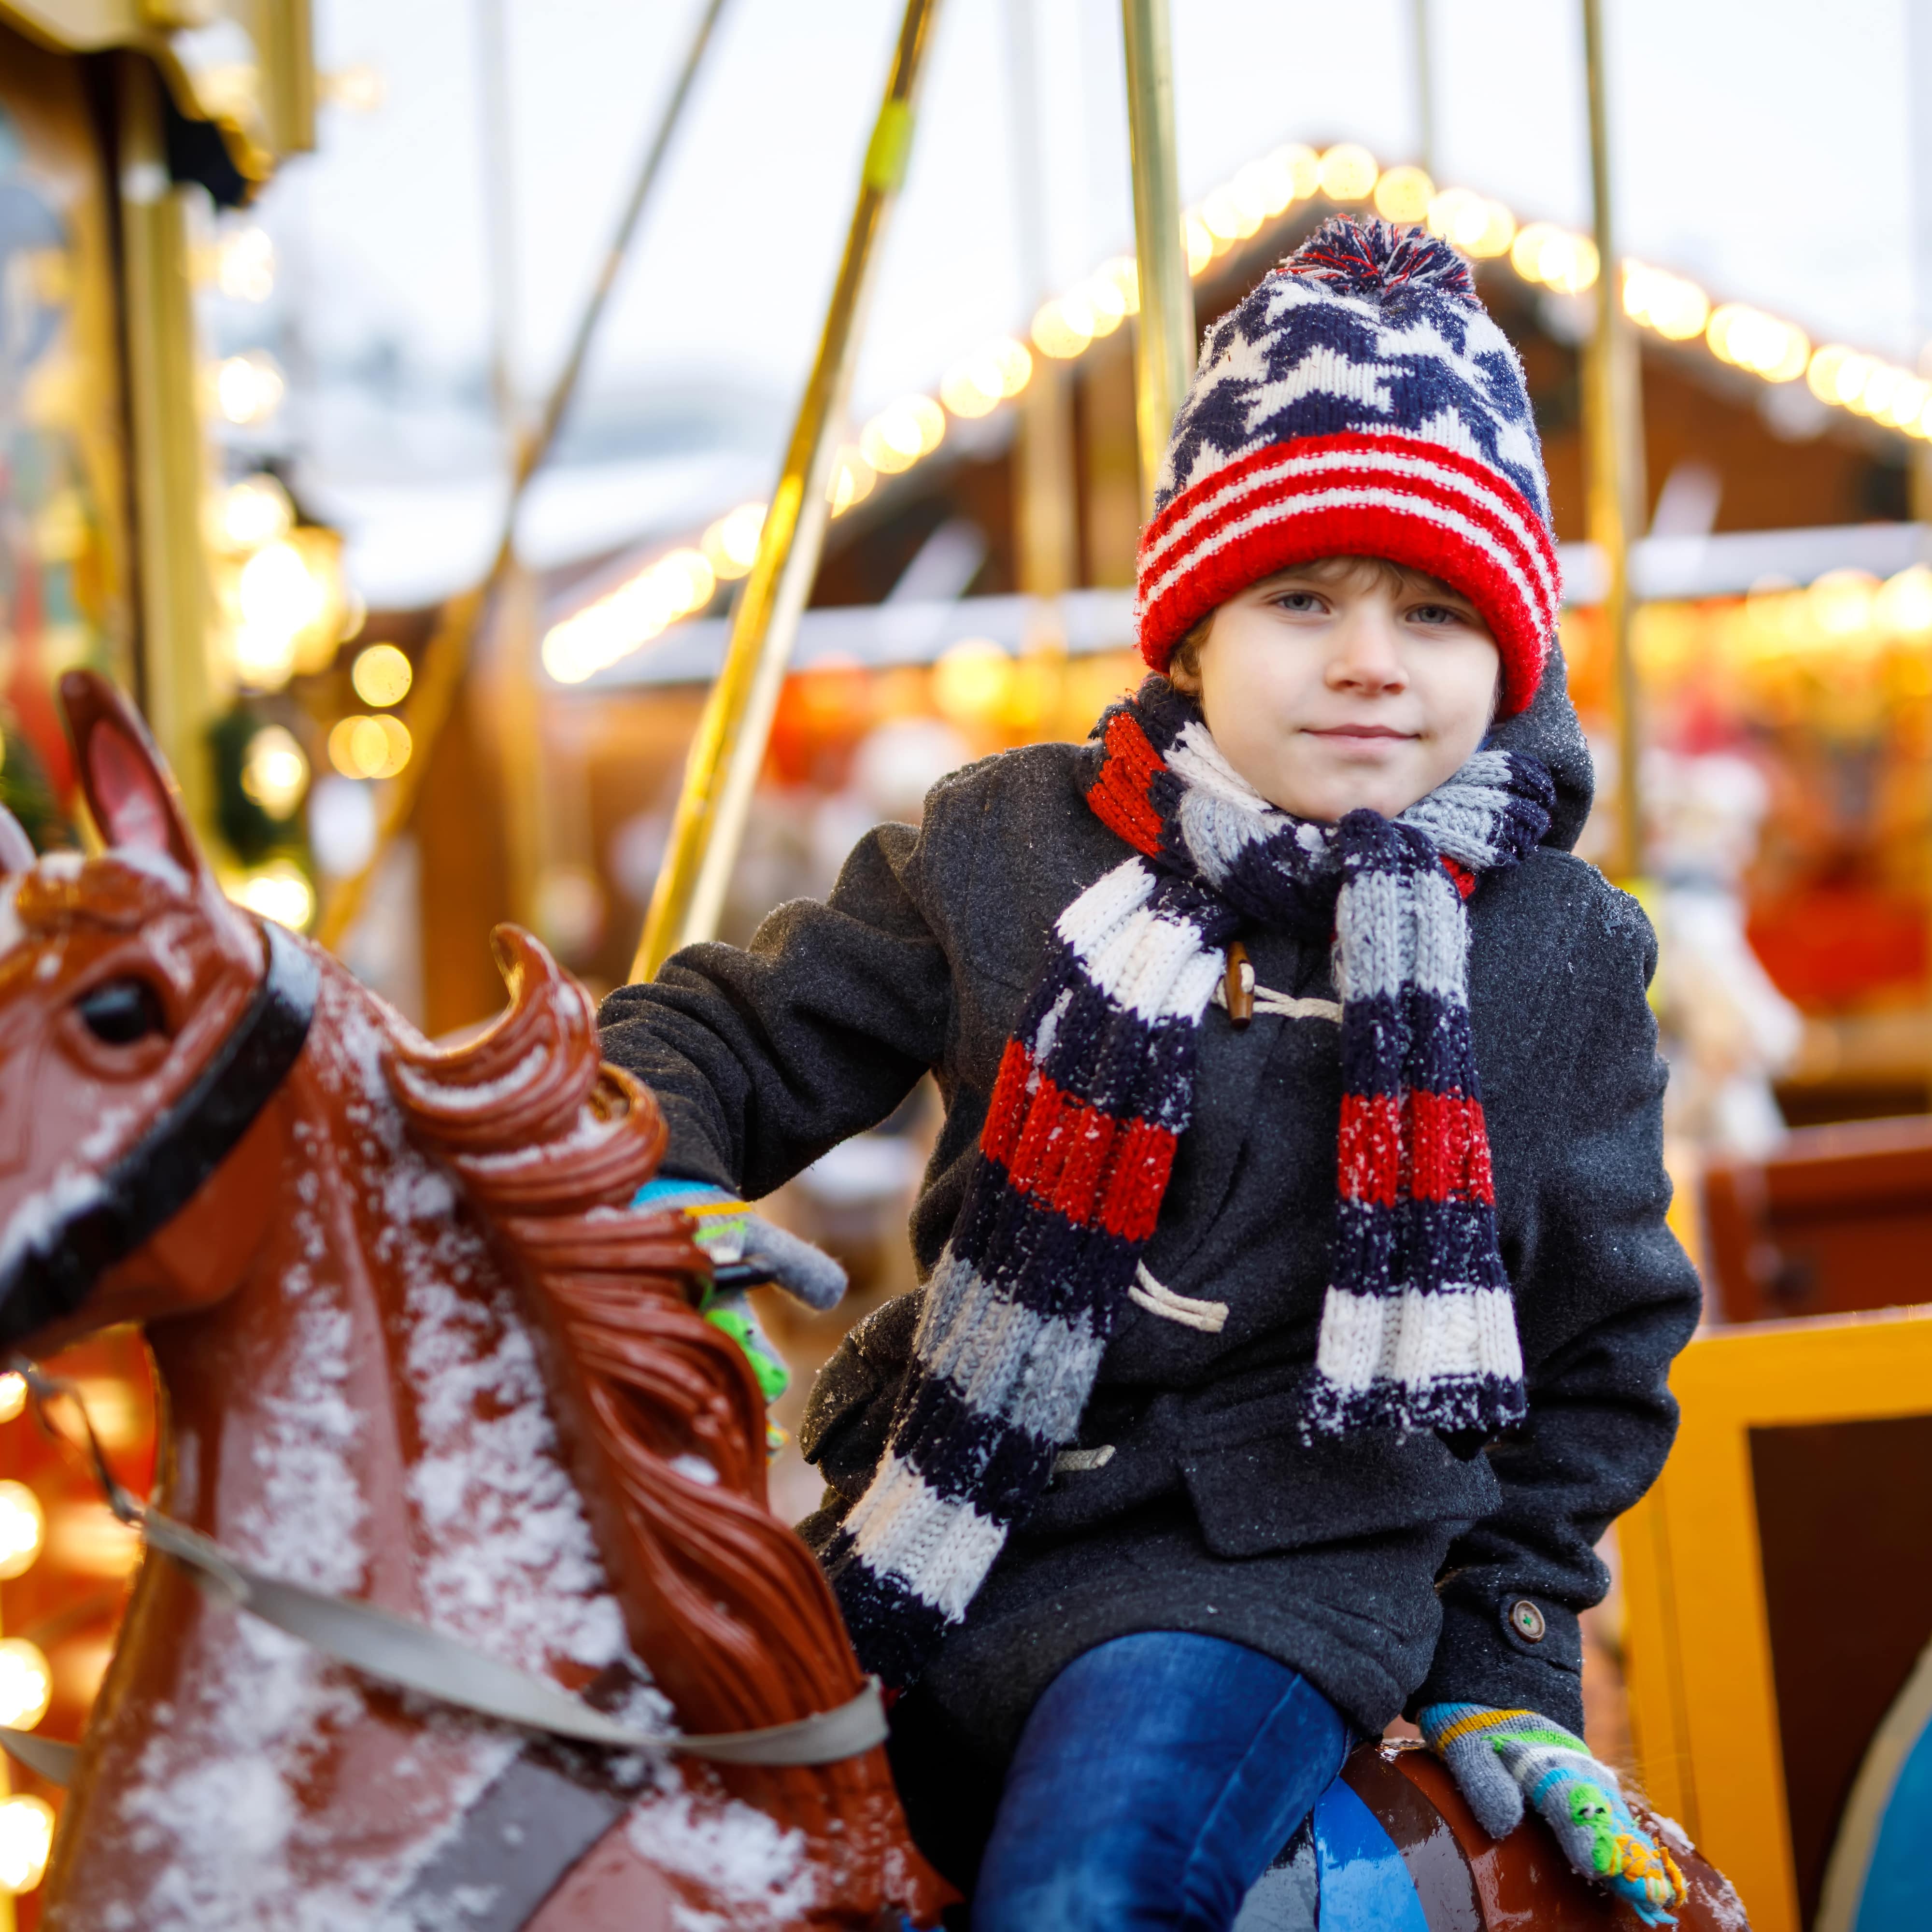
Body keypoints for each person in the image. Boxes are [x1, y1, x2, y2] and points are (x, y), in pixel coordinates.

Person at [598, 216, 1700, 1932]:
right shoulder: (1008, 848)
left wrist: (1508, 1648)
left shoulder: (1553, 950)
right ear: (1193, 630)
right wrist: (650, 1172)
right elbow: (728, 1033)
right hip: (934, 1523)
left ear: (1508, 656)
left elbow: (1602, 1345)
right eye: (1303, 598)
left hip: (1275, 1578)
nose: (1368, 659)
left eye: (1434, 611)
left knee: (1087, 1886)